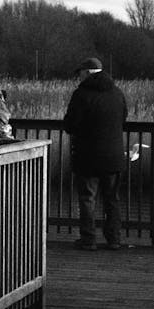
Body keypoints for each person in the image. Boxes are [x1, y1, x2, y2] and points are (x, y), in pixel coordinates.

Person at [62, 56, 128, 250]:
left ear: (86, 73)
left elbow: (71, 124)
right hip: (114, 155)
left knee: (87, 198)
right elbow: (123, 117)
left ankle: (89, 239)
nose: (78, 77)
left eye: (80, 74)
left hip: (87, 155)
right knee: (112, 199)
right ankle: (114, 238)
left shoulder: (81, 94)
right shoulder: (117, 92)